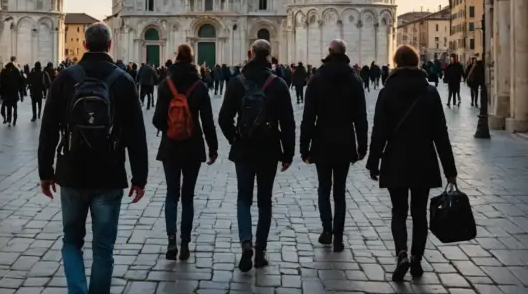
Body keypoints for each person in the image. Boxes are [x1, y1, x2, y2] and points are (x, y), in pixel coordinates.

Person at [38, 23, 148, 294]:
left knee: (71, 241)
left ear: (84, 44)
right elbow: (136, 134)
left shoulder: (65, 78)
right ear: (111, 44)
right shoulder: (123, 80)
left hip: (71, 173)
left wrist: (46, 172)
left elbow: (48, 130)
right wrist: (139, 177)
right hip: (110, 174)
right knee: (103, 249)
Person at [367, 45, 458, 282]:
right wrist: (450, 170)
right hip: (423, 159)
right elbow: (441, 133)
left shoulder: (387, 92)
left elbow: (379, 131)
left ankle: (401, 255)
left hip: (395, 158)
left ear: (396, 63)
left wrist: (373, 161)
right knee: (419, 212)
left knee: (399, 211)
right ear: (417, 62)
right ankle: (417, 258)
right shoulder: (430, 93)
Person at [219, 39, 295, 271]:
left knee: (244, 198)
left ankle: (246, 244)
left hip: (244, 150)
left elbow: (223, 119)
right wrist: (288, 153)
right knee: (264, 201)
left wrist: (235, 138)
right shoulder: (278, 84)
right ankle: (260, 251)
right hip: (269, 150)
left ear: (251, 53)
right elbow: (288, 123)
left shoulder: (236, 82)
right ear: (269, 56)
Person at [300, 39, 368, 252]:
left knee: (324, 188)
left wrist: (304, 147)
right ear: (344, 53)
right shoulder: (354, 79)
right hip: (345, 141)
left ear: (329, 52)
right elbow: (361, 117)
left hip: (322, 141)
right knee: (339, 191)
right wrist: (362, 145)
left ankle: (327, 230)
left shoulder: (317, 78)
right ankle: (338, 236)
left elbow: (308, 117)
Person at [152, 43, 218, 261]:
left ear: (175, 57)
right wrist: (213, 148)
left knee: (172, 194)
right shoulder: (199, 86)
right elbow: (208, 121)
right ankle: (186, 244)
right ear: (192, 59)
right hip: (193, 147)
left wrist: (170, 127)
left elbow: (157, 120)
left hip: (170, 147)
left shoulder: (165, 85)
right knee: (187, 197)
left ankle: (171, 240)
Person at [0, 58, 24, 126]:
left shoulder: (4, 72)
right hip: (14, 93)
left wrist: (1, 93)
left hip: (7, 94)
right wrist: (20, 91)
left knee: (9, 108)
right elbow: (20, 80)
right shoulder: (16, 71)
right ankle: (14, 119)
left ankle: (9, 120)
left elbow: (1, 82)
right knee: (15, 107)